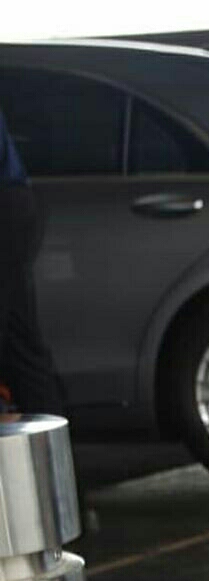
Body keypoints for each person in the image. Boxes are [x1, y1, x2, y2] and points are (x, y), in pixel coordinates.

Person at [0, 103, 61, 417]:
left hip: (6, 203)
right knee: (20, 342)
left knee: (20, 342)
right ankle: (49, 454)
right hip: (12, 201)